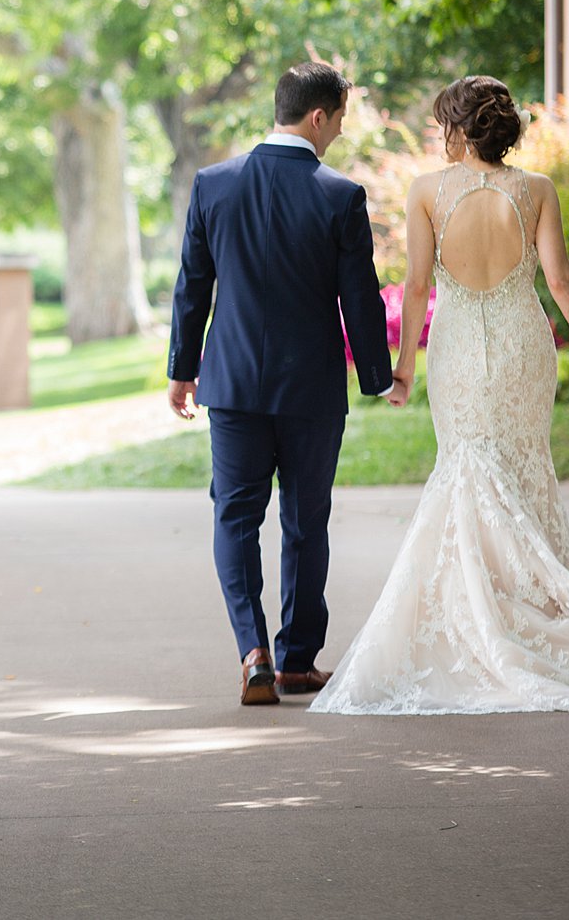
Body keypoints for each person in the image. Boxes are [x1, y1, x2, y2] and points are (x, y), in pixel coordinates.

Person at [309, 75, 569, 715]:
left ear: (458, 127)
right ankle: (541, 607)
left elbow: (417, 288)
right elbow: (559, 280)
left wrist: (405, 370)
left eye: (444, 123)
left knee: (467, 467)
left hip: (457, 353)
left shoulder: (426, 193)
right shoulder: (535, 191)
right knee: (525, 466)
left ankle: (485, 621)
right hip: (523, 344)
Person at [168, 60, 395, 706]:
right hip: (311, 389)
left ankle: (253, 652)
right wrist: (379, 378)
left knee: (235, 515)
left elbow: (193, 286)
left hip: (233, 382)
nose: (339, 135)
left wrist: (182, 369)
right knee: (305, 519)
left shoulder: (213, 184)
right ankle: (298, 658)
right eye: (340, 120)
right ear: (318, 115)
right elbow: (361, 299)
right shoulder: (338, 194)